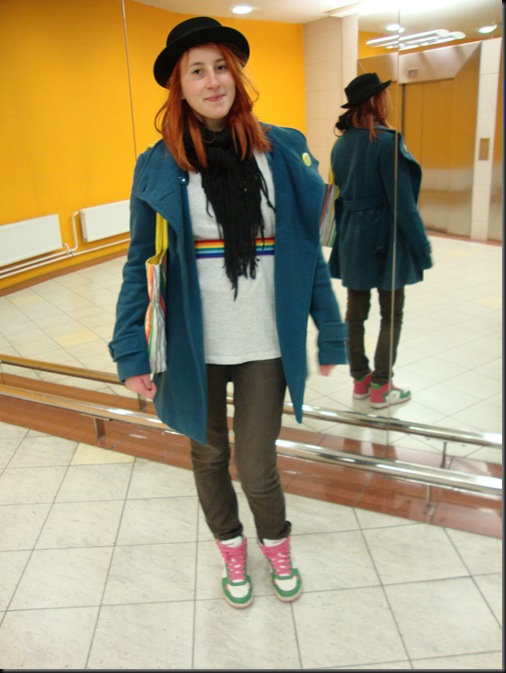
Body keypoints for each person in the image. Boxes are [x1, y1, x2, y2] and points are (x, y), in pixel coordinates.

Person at [109, 16, 347, 609]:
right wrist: (130, 349)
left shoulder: (281, 148)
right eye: (198, 71)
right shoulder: (158, 164)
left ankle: (276, 543)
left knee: (258, 463)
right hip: (195, 343)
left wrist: (331, 330)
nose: (213, 81)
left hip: (265, 340)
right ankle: (231, 549)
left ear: (237, 76)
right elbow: (141, 263)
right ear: (180, 87)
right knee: (209, 453)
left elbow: (307, 252)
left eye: (222, 67)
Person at [328, 72, 433, 409]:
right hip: (385, 239)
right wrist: (422, 248)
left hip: (352, 236)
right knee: (391, 314)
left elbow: (337, 197)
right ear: (376, 100)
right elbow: (403, 204)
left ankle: (360, 381)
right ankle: (382, 386)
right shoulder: (387, 142)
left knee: (355, 312)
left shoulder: (341, 145)